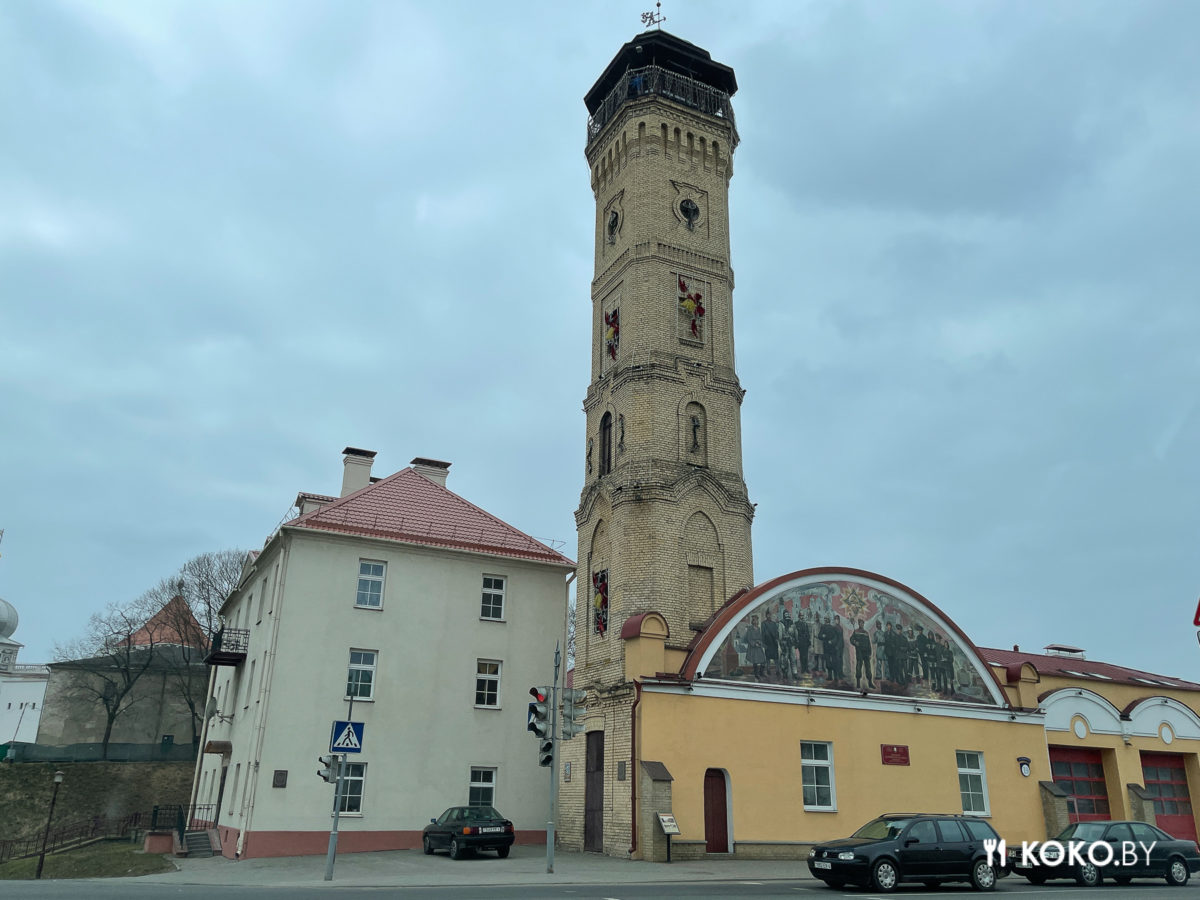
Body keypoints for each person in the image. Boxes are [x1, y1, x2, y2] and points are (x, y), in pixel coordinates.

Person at [850, 619, 875, 689]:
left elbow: (869, 644)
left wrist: (870, 653)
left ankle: (870, 682)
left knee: (868, 668)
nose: (862, 624)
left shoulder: (866, 633)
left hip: (866, 653)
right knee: (858, 667)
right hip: (859, 652)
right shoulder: (856, 632)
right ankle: (858, 683)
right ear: (858, 624)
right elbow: (851, 640)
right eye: (860, 623)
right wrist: (855, 642)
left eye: (862, 623)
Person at [744, 615, 766, 680]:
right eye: (754, 620)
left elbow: (760, 637)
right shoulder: (750, 629)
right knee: (755, 661)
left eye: (757, 620)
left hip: (759, 647)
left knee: (763, 660)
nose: (756, 621)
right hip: (753, 648)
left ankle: (761, 673)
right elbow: (749, 638)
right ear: (753, 621)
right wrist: (754, 644)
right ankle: (756, 674)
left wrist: (760, 642)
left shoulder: (759, 628)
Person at [761, 608, 780, 680]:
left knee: (776, 659)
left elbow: (776, 633)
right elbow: (762, 634)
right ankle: (768, 670)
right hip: (768, 643)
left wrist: (777, 639)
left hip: (774, 643)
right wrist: (763, 644)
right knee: (768, 659)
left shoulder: (774, 623)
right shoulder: (763, 624)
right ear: (766, 615)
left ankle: (777, 670)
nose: (769, 616)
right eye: (768, 614)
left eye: (770, 614)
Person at [795, 609, 811, 674]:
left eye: (803, 615)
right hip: (800, 642)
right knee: (802, 656)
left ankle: (806, 668)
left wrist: (808, 640)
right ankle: (803, 668)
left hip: (806, 642)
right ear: (799, 616)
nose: (802, 617)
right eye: (801, 615)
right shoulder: (796, 624)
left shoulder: (805, 623)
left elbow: (807, 633)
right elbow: (796, 634)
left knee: (806, 656)